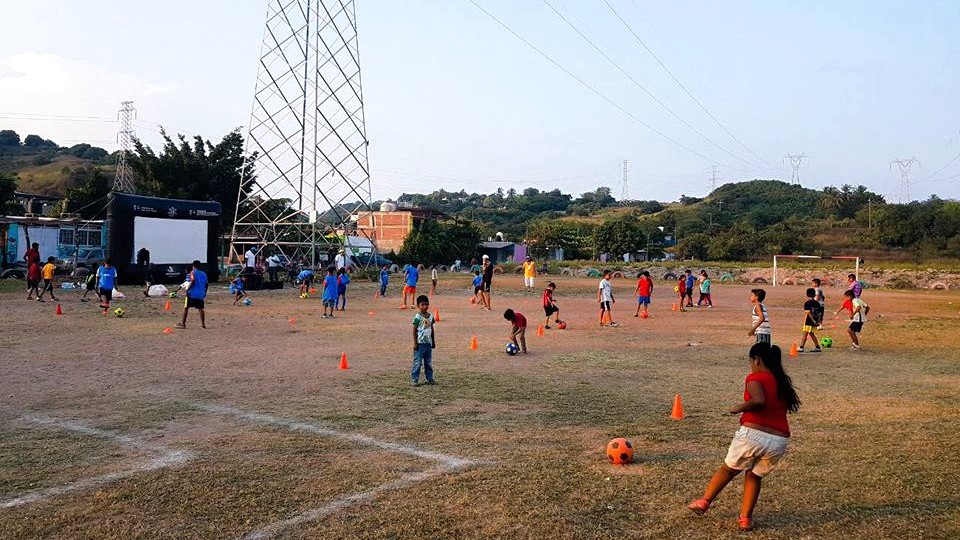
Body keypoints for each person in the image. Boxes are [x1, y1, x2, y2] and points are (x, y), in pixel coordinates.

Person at [687, 342, 801, 532]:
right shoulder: (782, 381)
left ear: (756, 360)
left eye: (751, 361)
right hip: (779, 441)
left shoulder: (755, 377)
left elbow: (759, 401)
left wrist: (738, 407)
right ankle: (745, 519)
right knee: (754, 476)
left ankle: (704, 502)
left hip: (753, 436)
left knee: (728, 470)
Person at [411, 294, 436, 386]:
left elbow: (432, 329)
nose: (425, 306)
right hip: (420, 344)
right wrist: (415, 343)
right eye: (423, 304)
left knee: (428, 362)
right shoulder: (417, 317)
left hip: (428, 344)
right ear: (418, 306)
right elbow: (414, 330)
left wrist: (433, 341)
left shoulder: (430, 317)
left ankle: (429, 378)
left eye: (427, 304)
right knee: (417, 362)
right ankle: (415, 379)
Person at [178, 260, 208, 329]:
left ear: (193, 266)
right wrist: (204, 292)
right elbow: (206, 285)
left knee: (186, 308)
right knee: (201, 309)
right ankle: (203, 324)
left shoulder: (192, 272)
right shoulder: (204, 274)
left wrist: (188, 289)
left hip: (191, 294)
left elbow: (193, 280)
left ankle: (183, 324)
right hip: (200, 295)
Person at [799, 288, 822, 353]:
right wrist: (818, 321)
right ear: (814, 295)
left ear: (807, 295)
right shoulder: (817, 303)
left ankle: (801, 347)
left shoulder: (807, 303)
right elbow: (820, 313)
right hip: (815, 320)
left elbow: (808, 312)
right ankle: (817, 347)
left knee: (805, 334)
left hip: (808, 321)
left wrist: (813, 320)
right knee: (811, 334)